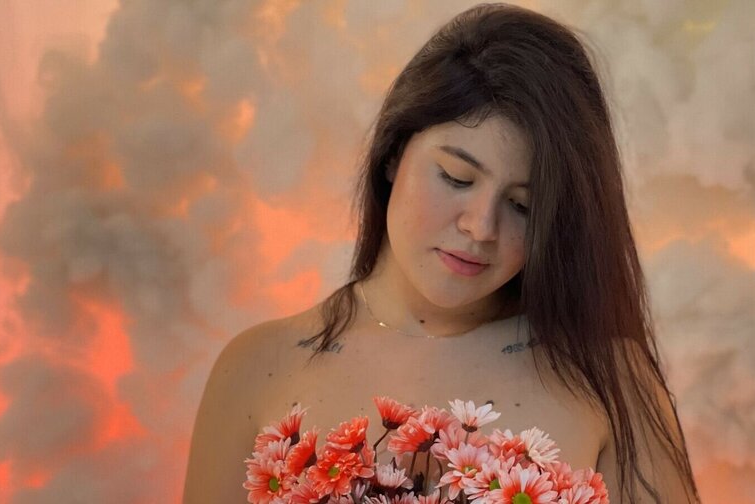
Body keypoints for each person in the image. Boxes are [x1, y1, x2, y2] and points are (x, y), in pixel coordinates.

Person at [183, 3, 701, 503]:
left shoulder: (611, 381)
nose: (480, 227)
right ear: (393, 153)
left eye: (522, 205)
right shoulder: (258, 366)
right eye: (456, 178)